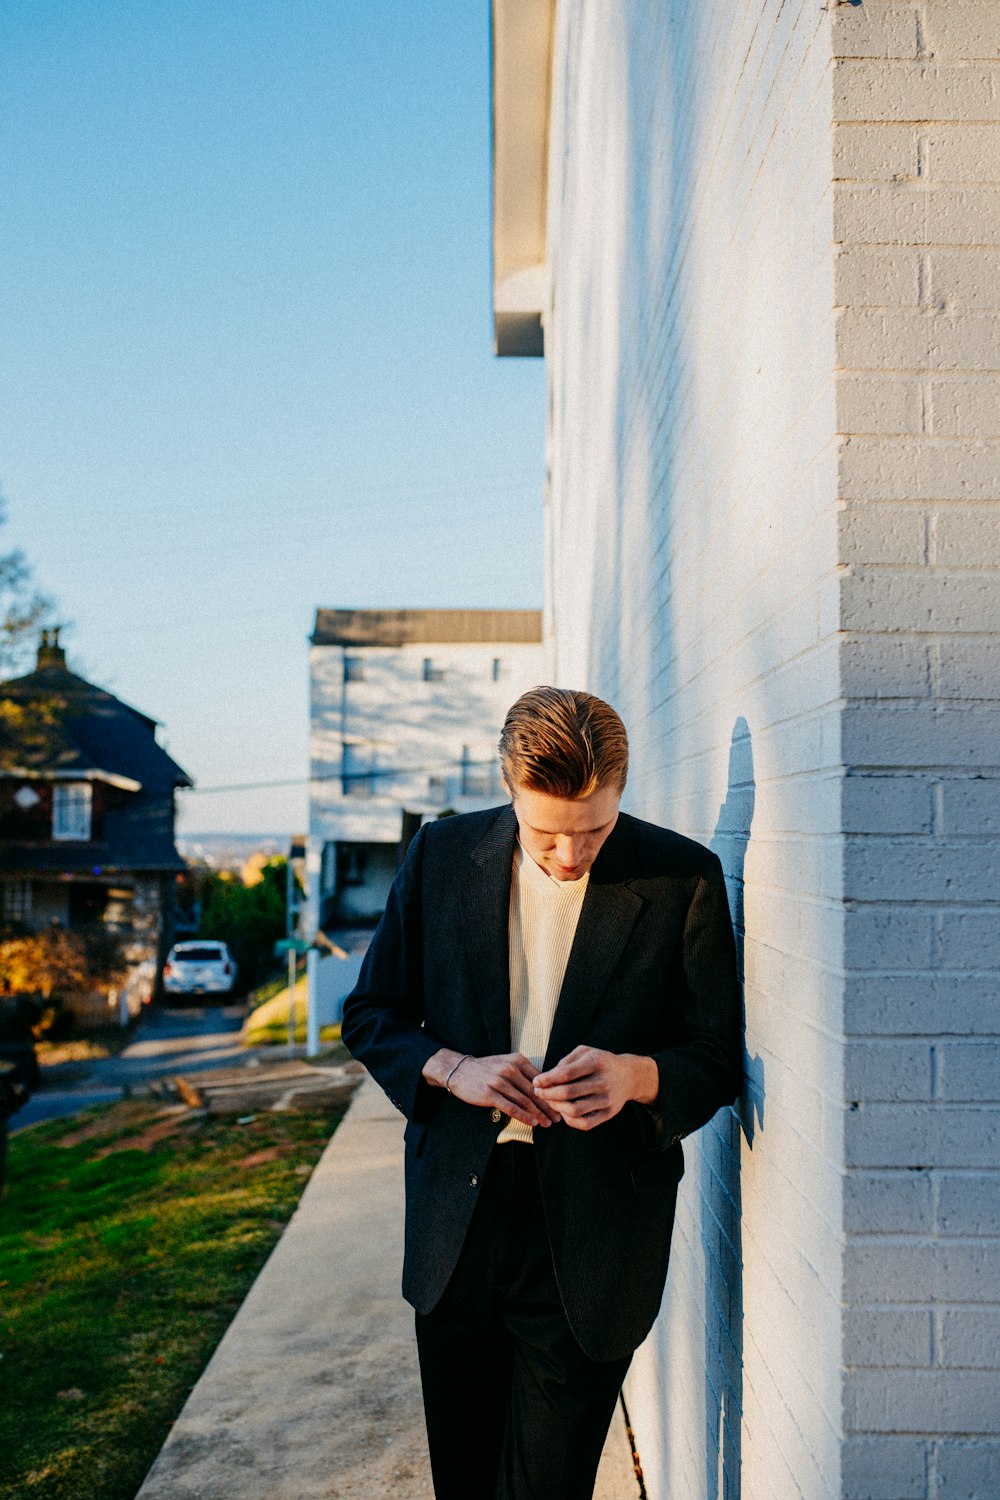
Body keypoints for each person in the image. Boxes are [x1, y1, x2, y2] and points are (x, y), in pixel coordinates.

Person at [341, 686, 743, 1500]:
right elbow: (371, 1014)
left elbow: (715, 1055)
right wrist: (454, 1069)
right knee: (465, 1480)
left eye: (594, 829)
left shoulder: (682, 877)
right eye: (547, 833)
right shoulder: (441, 857)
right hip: (459, 1220)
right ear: (508, 787)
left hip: (595, 1233)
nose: (569, 856)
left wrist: (640, 1077)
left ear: (622, 792)